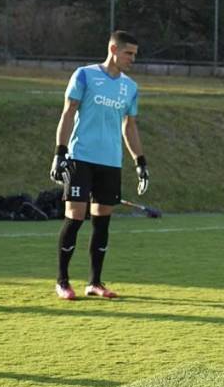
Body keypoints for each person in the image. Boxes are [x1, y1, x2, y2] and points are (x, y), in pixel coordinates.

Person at [49, 30, 149, 300]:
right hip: (80, 158)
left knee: (102, 221)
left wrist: (140, 161)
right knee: (75, 217)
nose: (132, 59)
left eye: (135, 55)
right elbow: (68, 113)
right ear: (113, 50)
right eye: (128, 53)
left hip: (110, 162)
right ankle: (62, 281)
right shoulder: (84, 75)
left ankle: (95, 282)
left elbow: (129, 126)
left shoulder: (130, 87)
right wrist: (60, 153)